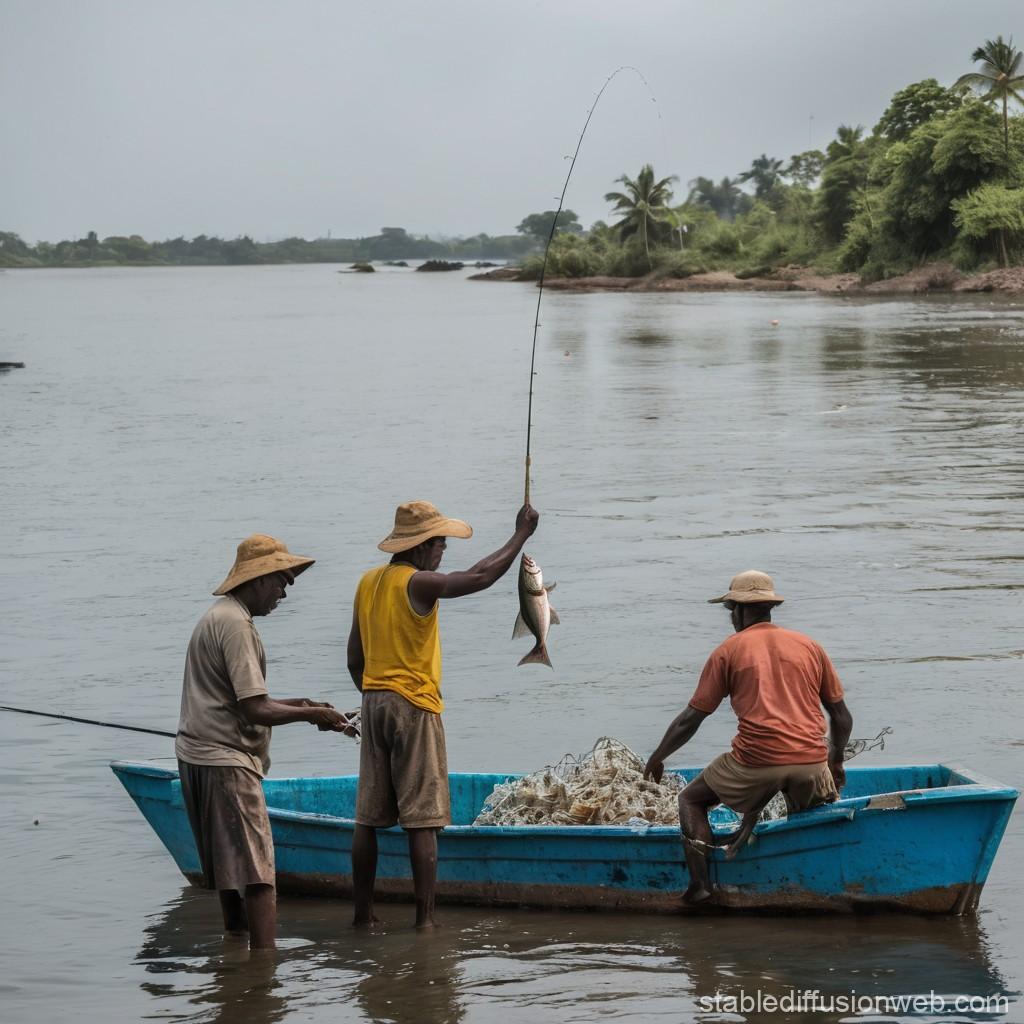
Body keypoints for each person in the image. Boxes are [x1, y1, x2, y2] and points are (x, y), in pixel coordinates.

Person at [347, 499, 539, 929]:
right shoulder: (417, 583)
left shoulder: (366, 584)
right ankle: (425, 921)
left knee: (367, 818)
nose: (442, 554)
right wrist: (521, 534)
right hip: (414, 705)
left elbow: (353, 658)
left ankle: (363, 915)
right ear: (420, 547)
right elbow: (479, 577)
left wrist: (372, 696)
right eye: (440, 546)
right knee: (423, 820)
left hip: (373, 700)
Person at [175, 534, 354, 949]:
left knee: (226, 867)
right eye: (281, 583)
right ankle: (264, 966)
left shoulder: (218, 616)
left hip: (196, 754)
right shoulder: (237, 626)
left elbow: (247, 699)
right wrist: (312, 716)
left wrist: (305, 703)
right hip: (226, 761)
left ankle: (234, 946)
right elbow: (255, 710)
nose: (284, 594)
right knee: (258, 873)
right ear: (257, 580)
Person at [644, 570, 853, 905]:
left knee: (691, 800)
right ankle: (807, 878)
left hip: (754, 762)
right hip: (811, 761)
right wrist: (835, 761)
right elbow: (841, 718)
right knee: (806, 809)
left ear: (737, 611)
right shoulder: (810, 647)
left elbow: (691, 719)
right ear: (769, 608)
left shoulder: (728, 651)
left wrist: (656, 758)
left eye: (731, 612)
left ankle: (701, 887)